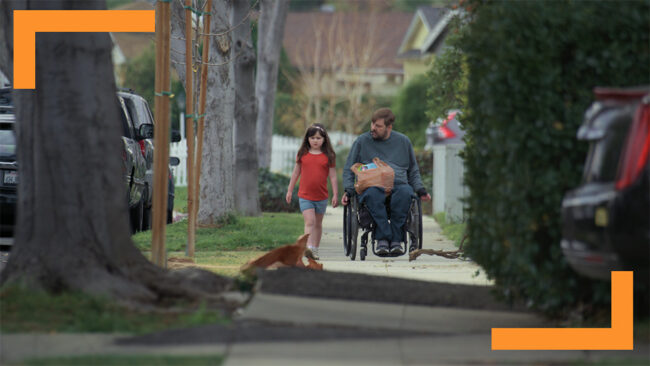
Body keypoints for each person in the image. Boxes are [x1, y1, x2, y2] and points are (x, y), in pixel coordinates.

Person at [342, 108, 431, 255]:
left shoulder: (403, 141)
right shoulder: (362, 141)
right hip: (372, 184)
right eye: (372, 124)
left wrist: (420, 189)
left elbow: (413, 171)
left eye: (378, 126)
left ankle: (396, 241)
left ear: (389, 127)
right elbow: (348, 169)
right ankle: (383, 239)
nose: (373, 128)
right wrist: (348, 190)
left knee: (405, 193)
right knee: (373, 194)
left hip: (399, 183)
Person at [286, 123, 339, 260]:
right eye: (313, 138)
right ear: (307, 139)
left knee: (318, 224)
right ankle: (308, 247)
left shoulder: (329, 155)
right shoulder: (302, 154)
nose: (315, 140)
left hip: (321, 196)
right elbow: (296, 172)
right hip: (305, 195)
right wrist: (290, 190)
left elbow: (333, 176)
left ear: (324, 139)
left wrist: (335, 194)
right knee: (310, 221)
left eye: (319, 138)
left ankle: (315, 248)